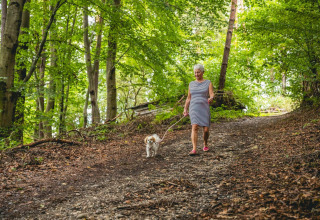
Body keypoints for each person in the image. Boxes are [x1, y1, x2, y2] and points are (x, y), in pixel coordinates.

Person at [183, 64, 215, 155]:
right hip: (193, 107)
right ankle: (194, 149)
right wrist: (185, 108)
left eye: (198, 72)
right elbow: (188, 98)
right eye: (195, 72)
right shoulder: (191, 84)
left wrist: (211, 98)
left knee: (205, 130)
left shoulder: (208, 82)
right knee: (195, 126)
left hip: (204, 107)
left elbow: (212, 93)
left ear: (203, 72)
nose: (196, 74)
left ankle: (205, 143)